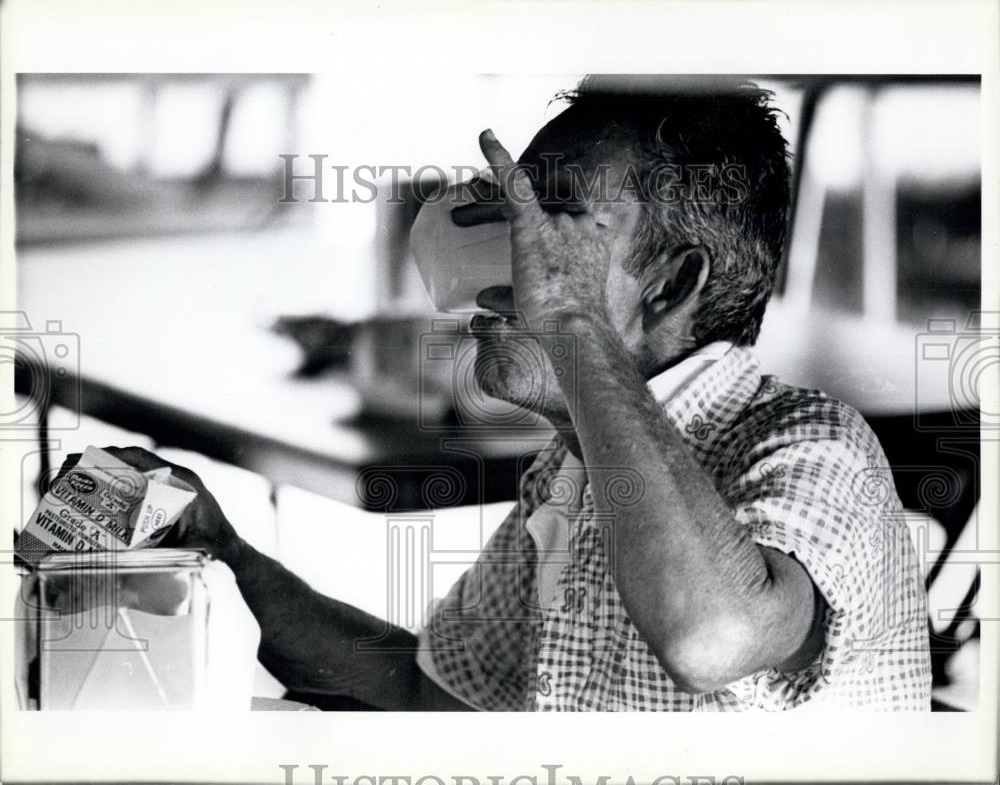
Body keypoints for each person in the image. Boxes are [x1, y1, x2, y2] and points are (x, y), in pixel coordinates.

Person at [90, 78, 931, 710]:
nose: (503, 258)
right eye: (504, 213)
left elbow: (715, 634)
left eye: (547, 226)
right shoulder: (567, 472)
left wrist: (568, 319)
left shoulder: (814, 447)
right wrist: (219, 553)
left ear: (673, 283)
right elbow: (430, 698)